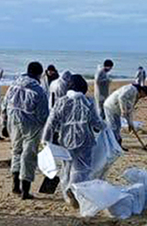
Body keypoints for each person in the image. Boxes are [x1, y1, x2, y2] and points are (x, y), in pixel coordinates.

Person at [41, 74, 103, 206]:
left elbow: (51, 122)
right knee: (82, 168)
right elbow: (96, 122)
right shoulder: (88, 101)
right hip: (84, 139)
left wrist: (45, 140)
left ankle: (67, 194)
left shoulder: (61, 101)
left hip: (65, 139)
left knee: (67, 167)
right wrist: (104, 127)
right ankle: (74, 189)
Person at [3, 62, 49, 200]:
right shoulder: (38, 91)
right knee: (29, 156)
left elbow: (4, 105)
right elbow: (43, 115)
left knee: (16, 151)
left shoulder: (13, 85)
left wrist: (4, 124)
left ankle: (15, 186)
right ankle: (25, 191)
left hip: (13, 121)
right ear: (39, 74)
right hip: (31, 125)